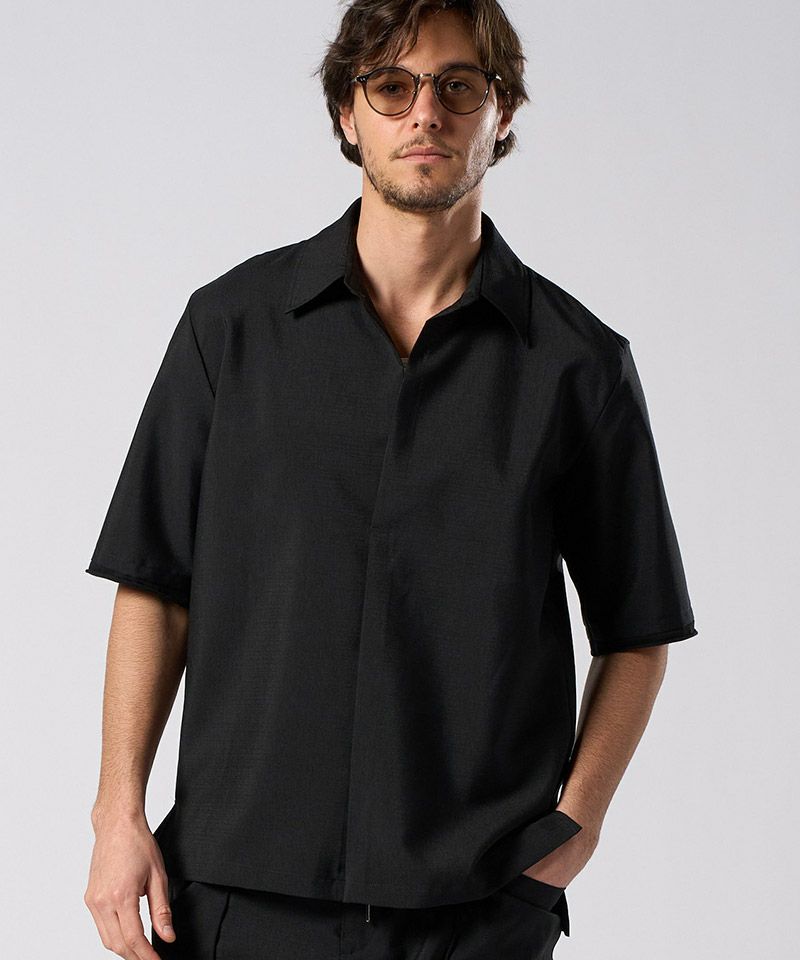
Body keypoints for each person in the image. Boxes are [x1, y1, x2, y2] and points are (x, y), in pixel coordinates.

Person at [83, 1, 699, 958]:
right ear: (348, 112)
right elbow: (154, 584)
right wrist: (116, 814)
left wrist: (573, 831)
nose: (426, 113)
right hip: (238, 894)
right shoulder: (230, 329)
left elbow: (638, 631)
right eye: (392, 86)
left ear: (501, 112)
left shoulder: (579, 367)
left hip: (476, 906)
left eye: (459, 86)